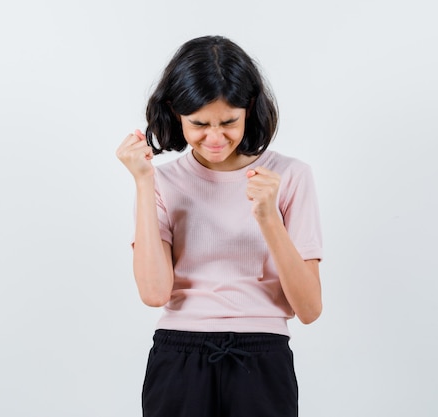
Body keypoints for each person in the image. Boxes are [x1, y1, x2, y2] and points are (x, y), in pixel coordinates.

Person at [116, 35, 323, 417]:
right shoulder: (162, 182)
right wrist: (144, 182)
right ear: (176, 115)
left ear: (250, 110)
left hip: (262, 358)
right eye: (199, 124)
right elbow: (154, 293)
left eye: (229, 122)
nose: (215, 138)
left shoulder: (290, 177)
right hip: (178, 357)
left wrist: (267, 217)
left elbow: (309, 309)